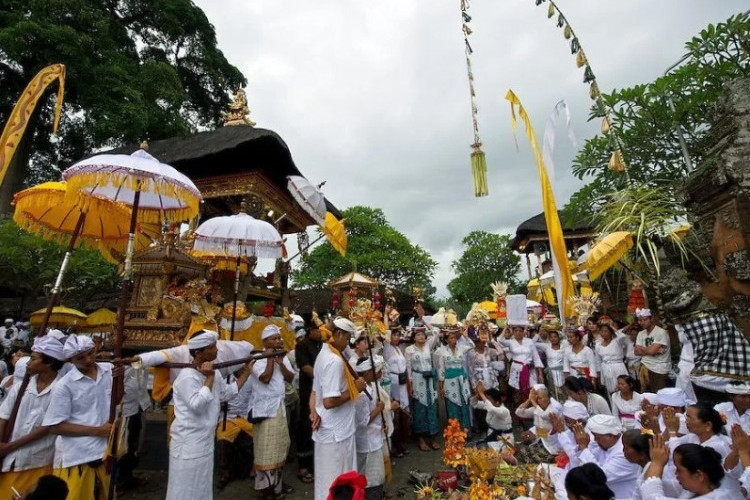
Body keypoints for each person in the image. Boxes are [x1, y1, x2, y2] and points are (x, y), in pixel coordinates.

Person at [165, 330, 253, 500]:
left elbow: (227, 393)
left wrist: (247, 372)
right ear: (198, 353)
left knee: (202, 487)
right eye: (212, 348)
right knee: (184, 490)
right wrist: (209, 378)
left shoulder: (215, 373)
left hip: (204, 441)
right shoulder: (186, 377)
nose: (217, 351)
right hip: (187, 443)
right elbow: (197, 405)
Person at [42, 335, 113, 499]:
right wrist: (97, 431)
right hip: (78, 457)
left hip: (106, 452)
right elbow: (55, 426)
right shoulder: (64, 385)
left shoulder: (109, 371)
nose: (88, 360)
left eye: (91, 353)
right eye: (80, 358)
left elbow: (117, 399)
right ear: (71, 360)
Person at [0, 336, 65, 497]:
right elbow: (3, 417)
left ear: (48, 363)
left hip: (38, 461)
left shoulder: (62, 389)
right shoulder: (21, 387)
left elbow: (49, 427)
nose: (27, 363)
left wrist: (10, 446)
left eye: (33, 359)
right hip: (8, 460)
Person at [312, 318, 367, 500]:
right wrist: (355, 391)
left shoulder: (323, 353)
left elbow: (314, 392)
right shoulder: (334, 360)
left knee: (326, 481)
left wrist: (313, 411)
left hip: (330, 430)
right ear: (338, 334)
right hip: (337, 435)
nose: (348, 343)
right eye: (348, 338)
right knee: (338, 483)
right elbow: (329, 401)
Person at [250, 324, 295, 499]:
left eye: (279, 338)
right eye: (274, 339)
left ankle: (276, 488)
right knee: (266, 452)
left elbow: (291, 377)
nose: (278, 341)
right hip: (264, 411)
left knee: (279, 448)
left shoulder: (282, 357)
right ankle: (266, 489)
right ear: (265, 342)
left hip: (279, 409)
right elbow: (266, 378)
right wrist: (269, 359)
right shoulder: (256, 358)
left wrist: (280, 363)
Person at [571, 414, 641, 498]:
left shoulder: (625, 453)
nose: (595, 440)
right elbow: (580, 461)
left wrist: (584, 447)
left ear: (611, 436)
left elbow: (601, 477)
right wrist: (582, 446)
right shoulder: (605, 445)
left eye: (597, 437)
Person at [642, 435, 727, 499]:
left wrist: (657, 463)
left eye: (679, 470)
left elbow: (652, 497)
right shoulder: (695, 488)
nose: (676, 474)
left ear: (699, 475)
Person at [295, 321, 325, 483]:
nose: (319, 332)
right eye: (317, 330)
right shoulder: (302, 346)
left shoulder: (322, 345)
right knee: (306, 427)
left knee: (319, 425)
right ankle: (303, 467)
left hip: (322, 392)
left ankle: (317, 463)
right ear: (310, 331)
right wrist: (324, 379)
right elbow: (306, 368)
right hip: (309, 391)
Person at [353, 356, 387, 500]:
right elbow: (363, 421)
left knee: (378, 476)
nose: (378, 374)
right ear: (366, 373)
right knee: (370, 479)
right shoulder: (361, 394)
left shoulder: (372, 386)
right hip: (366, 443)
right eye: (375, 371)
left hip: (376, 438)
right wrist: (379, 409)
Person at [117, 354, 152, 492]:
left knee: (133, 445)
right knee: (121, 447)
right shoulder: (118, 367)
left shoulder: (140, 363)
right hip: (124, 411)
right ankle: (118, 480)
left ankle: (127, 476)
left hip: (137, 407)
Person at [404, 325, 440, 451]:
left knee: (432, 407)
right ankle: (421, 439)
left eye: (423, 335)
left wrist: (424, 321)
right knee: (419, 408)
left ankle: (433, 436)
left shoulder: (427, 346)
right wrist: (411, 384)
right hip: (418, 379)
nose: (421, 336)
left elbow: (436, 332)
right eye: (418, 335)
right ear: (413, 337)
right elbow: (408, 368)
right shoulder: (409, 350)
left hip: (430, 381)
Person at [498, 324, 544, 412]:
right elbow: (500, 340)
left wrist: (540, 374)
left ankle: (533, 413)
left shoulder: (529, 341)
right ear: (513, 332)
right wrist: (506, 327)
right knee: (517, 393)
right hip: (516, 370)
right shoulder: (511, 342)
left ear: (524, 332)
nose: (518, 333)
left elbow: (536, 358)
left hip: (529, 370)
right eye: (516, 331)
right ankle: (519, 417)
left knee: (532, 391)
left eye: (520, 331)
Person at [436, 326, 473, 434]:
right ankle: (455, 433)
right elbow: (441, 370)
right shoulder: (441, 351)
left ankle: (465, 432)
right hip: (449, 382)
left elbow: (472, 345)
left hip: (462, 381)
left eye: (455, 338)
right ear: (446, 340)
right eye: (451, 338)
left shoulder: (461, 348)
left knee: (464, 404)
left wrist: (464, 334)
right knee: (452, 405)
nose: (454, 340)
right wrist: (441, 387)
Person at [466, 330, 502, 435]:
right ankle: (482, 428)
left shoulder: (488, 350)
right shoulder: (472, 353)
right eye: (480, 342)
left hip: (491, 379)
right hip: (479, 380)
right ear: (476, 342)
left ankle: (495, 425)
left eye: (484, 342)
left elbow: (500, 352)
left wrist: (492, 341)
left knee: (493, 401)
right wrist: (474, 385)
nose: (483, 344)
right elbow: (470, 370)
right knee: (481, 404)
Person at [381, 328, 410, 458]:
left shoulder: (399, 349)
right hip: (393, 381)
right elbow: (384, 332)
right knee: (395, 412)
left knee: (403, 409)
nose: (397, 337)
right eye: (394, 335)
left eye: (399, 335)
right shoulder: (387, 348)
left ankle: (403, 443)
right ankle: (395, 446)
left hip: (402, 380)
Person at [515, 384, 563, 461]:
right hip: (542, 440)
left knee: (524, 456)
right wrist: (529, 400)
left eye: (540, 398)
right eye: (536, 398)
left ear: (548, 398)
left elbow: (544, 416)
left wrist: (533, 401)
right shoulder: (538, 408)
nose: (538, 401)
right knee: (518, 451)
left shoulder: (555, 408)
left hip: (554, 447)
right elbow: (518, 412)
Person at [634, 308, 671, 392]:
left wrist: (643, 348)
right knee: (646, 395)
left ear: (651, 319)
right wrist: (652, 349)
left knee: (660, 395)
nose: (642, 322)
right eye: (640, 320)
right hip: (645, 366)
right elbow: (636, 352)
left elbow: (651, 351)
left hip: (660, 368)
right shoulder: (640, 333)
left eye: (645, 320)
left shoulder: (661, 332)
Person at [594, 322, 628, 395]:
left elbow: (623, 336)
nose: (603, 333)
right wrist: (599, 376)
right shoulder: (598, 345)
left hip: (618, 367)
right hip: (605, 368)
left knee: (621, 388)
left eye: (606, 331)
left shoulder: (617, 341)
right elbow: (597, 361)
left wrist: (612, 327)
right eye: (602, 331)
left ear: (611, 332)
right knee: (610, 391)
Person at [535, 328, 567, 402]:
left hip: (562, 373)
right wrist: (539, 333)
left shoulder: (564, 346)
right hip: (551, 374)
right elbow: (532, 343)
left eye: (555, 337)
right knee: (553, 392)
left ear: (559, 337)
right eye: (551, 337)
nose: (553, 339)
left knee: (564, 392)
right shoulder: (547, 346)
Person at [622, 429, 654, 500]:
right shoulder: (641, 469)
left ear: (642, 455)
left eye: (626, 448)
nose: (623, 450)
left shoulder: (654, 475)